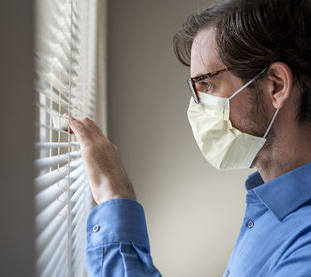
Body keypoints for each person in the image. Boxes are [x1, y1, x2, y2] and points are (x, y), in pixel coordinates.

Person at [68, 0, 311, 276]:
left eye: (207, 84)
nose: (195, 106)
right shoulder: (269, 207)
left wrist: (113, 199)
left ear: (276, 85)